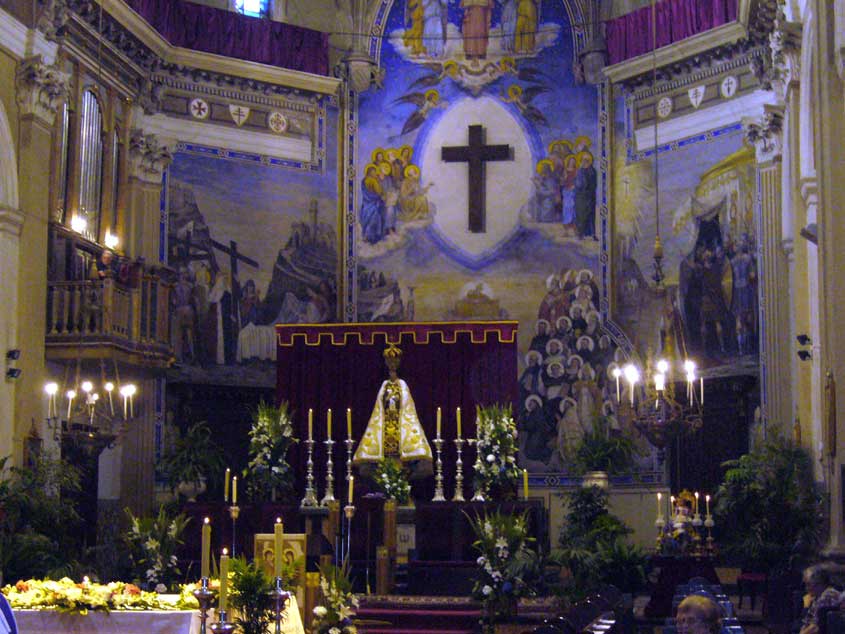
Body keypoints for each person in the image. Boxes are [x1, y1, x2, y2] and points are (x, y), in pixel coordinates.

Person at [353, 344, 433, 478]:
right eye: (389, 362)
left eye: (394, 362)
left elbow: (408, 407)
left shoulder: (402, 385)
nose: (392, 365)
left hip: (399, 428)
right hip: (385, 427)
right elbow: (378, 408)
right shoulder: (384, 385)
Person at [799, 563, 843, 634]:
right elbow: (808, 622)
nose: (806, 588)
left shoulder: (828, 595)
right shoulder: (817, 596)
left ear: (820, 583)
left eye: (808, 584)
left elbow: (816, 627)